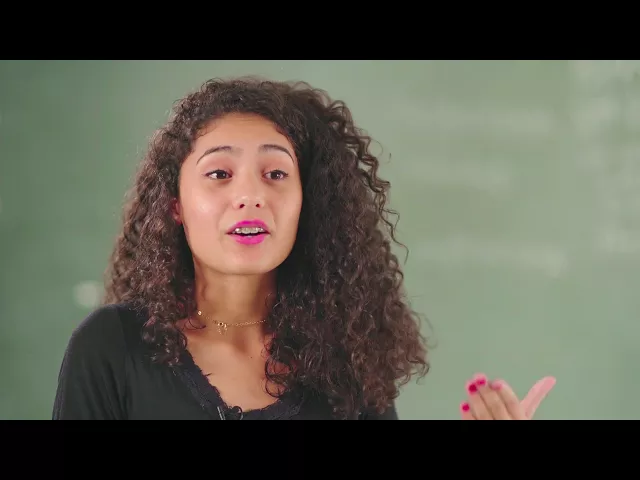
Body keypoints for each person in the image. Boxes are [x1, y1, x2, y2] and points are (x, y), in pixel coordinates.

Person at [52, 76, 555, 420]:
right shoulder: (111, 348)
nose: (250, 195)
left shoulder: (349, 366)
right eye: (219, 173)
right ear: (175, 207)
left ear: (306, 204)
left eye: (275, 174)